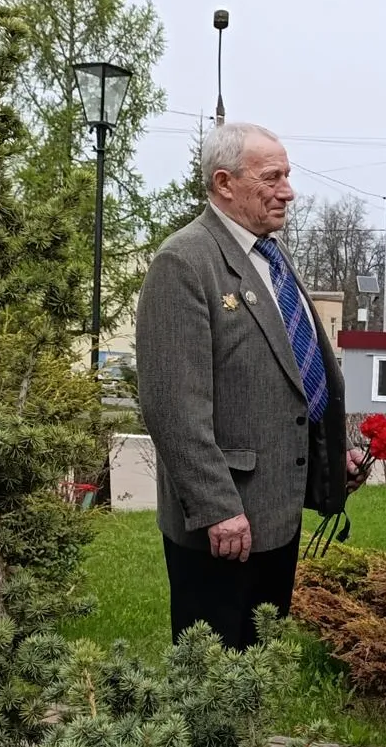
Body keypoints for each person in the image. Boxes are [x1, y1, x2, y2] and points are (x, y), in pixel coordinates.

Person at [135, 121, 363, 651]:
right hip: (223, 523)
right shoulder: (185, 262)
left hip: (273, 517)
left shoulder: (270, 259)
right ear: (224, 183)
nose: (288, 190)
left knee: (255, 674)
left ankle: (248, 740)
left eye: (287, 175)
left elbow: (289, 376)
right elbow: (173, 406)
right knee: (210, 682)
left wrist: (332, 454)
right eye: (272, 177)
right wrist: (216, 506)